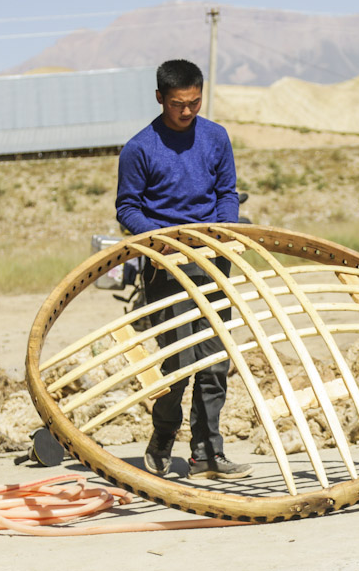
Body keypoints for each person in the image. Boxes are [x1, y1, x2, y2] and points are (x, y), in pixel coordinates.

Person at [115, 58, 252, 480]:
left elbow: (227, 192)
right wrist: (165, 241)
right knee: (179, 363)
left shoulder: (215, 137)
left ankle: (207, 453)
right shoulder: (139, 148)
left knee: (213, 362)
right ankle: (162, 437)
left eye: (194, 102)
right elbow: (127, 208)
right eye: (178, 104)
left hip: (213, 263)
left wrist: (224, 227)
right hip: (167, 268)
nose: (187, 112)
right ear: (160, 98)